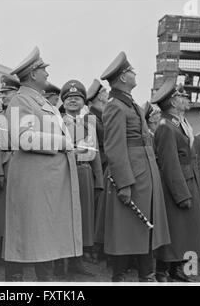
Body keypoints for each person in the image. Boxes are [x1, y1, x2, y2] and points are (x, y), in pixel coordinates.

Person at [3, 47, 82, 281]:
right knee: (32, 237)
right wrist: (63, 143)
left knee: (45, 238)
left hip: (45, 182)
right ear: (33, 74)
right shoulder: (20, 100)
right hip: (35, 181)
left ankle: (44, 281)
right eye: (43, 69)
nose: (47, 73)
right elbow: (23, 137)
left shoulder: (39, 101)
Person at [101, 52, 170, 282]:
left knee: (144, 227)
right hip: (131, 175)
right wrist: (124, 184)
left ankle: (146, 274)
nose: (134, 73)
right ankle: (120, 276)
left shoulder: (130, 103)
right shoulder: (115, 107)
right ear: (122, 77)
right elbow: (114, 148)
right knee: (126, 229)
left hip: (144, 173)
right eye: (130, 71)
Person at [151, 79, 200, 282]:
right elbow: (170, 163)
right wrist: (181, 194)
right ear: (174, 101)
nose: (187, 99)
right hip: (177, 185)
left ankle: (179, 270)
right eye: (183, 96)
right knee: (175, 230)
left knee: (186, 231)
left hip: (189, 181)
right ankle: (163, 272)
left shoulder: (179, 123)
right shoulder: (166, 126)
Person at [53, 80, 103, 278]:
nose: (73, 101)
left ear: (83, 102)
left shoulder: (88, 123)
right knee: (63, 217)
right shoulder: (56, 122)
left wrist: (98, 180)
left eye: (77, 98)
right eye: (69, 98)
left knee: (83, 219)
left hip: (84, 173)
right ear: (63, 102)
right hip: (64, 173)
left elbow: (95, 153)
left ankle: (76, 262)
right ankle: (58, 263)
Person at [0, 74, 20, 261]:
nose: (4, 96)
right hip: (6, 164)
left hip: (24, 165)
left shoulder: (25, 114)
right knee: (5, 213)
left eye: (8, 92)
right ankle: (4, 253)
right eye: (3, 93)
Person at [86, 79, 109, 263]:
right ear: (98, 96)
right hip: (99, 165)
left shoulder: (102, 115)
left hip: (106, 164)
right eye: (104, 91)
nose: (107, 93)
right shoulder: (91, 117)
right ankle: (92, 247)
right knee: (95, 208)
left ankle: (98, 247)